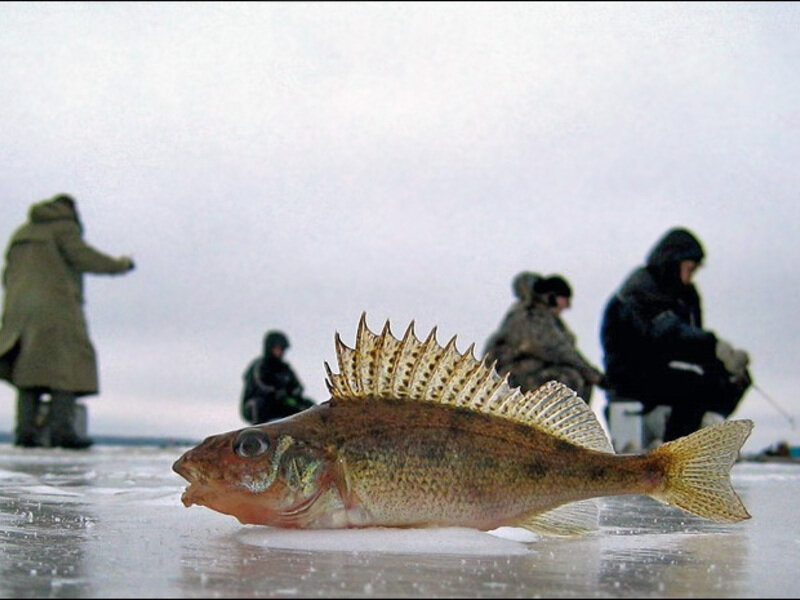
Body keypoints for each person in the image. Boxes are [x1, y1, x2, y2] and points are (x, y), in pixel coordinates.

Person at [0, 194, 135, 448]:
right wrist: (122, 264)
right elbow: (84, 257)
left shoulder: (22, 232)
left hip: (19, 309)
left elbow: (7, 273)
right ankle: (62, 432)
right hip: (56, 308)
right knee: (65, 370)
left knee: (28, 373)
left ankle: (25, 433)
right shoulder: (62, 227)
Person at [600, 227, 751, 447]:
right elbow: (665, 333)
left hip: (665, 369)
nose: (690, 277)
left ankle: (704, 431)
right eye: (689, 269)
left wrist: (723, 363)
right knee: (692, 385)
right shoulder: (640, 289)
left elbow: (689, 337)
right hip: (631, 374)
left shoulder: (685, 294)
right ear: (672, 262)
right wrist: (713, 346)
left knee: (729, 379)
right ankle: (676, 452)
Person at [483, 271, 605, 403]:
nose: (567, 306)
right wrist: (595, 376)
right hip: (512, 378)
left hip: (522, 374)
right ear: (552, 296)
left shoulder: (541, 317)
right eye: (565, 299)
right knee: (568, 379)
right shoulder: (532, 316)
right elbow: (557, 350)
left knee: (579, 379)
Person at [240, 330, 315, 424]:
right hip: (258, 405)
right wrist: (276, 392)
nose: (279, 352)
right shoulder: (259, 366)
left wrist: (293, 393)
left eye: (281, 349)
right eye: (276, 349)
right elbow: (260, 385)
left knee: (309, 406)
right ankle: (257, 432)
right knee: (259, 404)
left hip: (280, 404)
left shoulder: (285, 368)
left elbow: (297, 386)